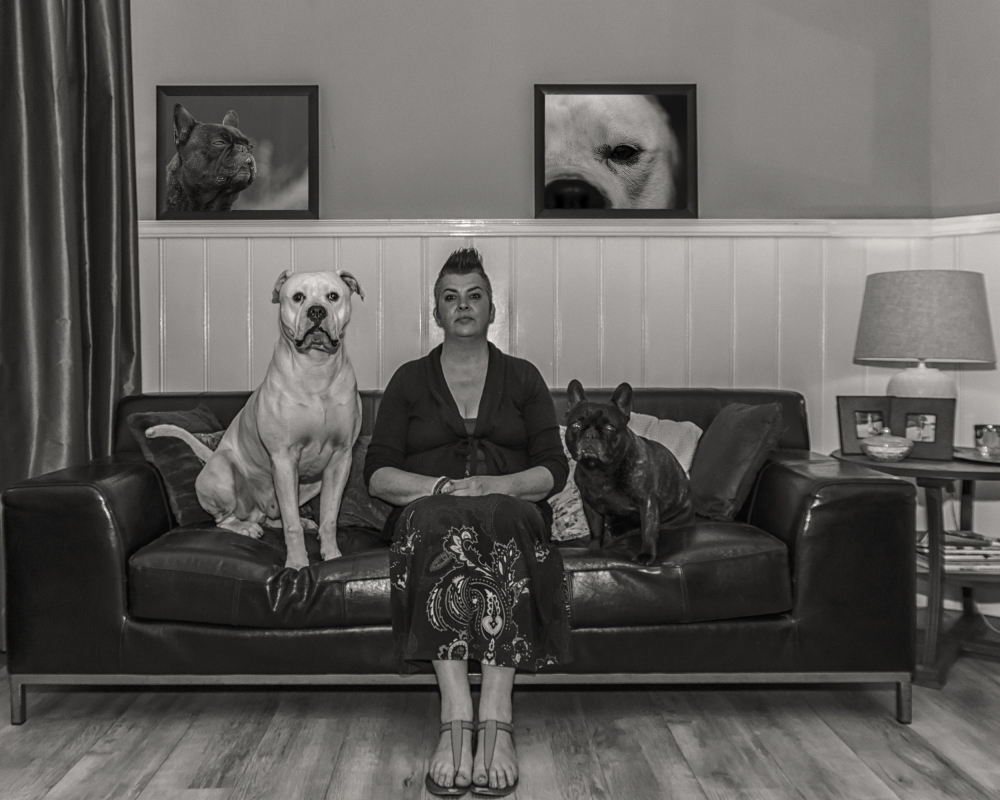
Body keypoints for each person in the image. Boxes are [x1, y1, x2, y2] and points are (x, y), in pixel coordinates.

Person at [364, 248, 570, 797]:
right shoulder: (409, 380)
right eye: (450, 297)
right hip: (429, 512)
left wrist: (495, 486)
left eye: (474, 296)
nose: (463, 305)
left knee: (501, 517)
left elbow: (554, 469)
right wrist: (440, 488)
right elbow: (377, 473)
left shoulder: (523, 377)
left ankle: (497, 715)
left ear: (492, 309)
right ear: (436, 311)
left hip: (511, 511)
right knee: (438, 522)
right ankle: (455, 713)